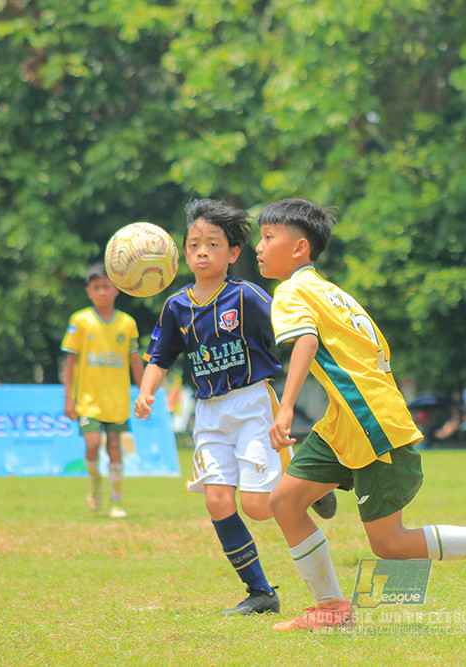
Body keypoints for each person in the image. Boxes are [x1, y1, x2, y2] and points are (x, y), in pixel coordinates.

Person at [255, 198, 466, 632]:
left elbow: (307, 342)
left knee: (389, 544)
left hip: (371, 423)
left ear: (299, 248)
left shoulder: (292, 290)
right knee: (284, 501)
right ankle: (332, 608)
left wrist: (288, 405)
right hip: (346, 421)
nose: (259, 247)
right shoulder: (334, 292)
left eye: (267, 237)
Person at [133, 198, 335, 617]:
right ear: (183, 253)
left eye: (213, 244)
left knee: (258, 508)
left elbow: (294, 335)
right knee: (217, 501)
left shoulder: (247, 296)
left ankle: (314, 486)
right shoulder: (177, 306)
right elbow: (161, 356)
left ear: (232, 254)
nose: (202, 251)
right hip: (209, 412)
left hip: (251, 404)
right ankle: (261, 592)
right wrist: (146, 391)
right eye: (193, 244)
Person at [62, 263, 145, 519]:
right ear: (89, 291)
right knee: (92, 443)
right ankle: (95, 479)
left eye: (106, 287)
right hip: (88, 401)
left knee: (115, 448)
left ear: (116, 289)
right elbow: (70, 363)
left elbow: (135, 360)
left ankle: (116, 502)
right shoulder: (80, 321)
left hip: (117, 401)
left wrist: (144, 392)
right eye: (96, 288)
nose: (102, 293)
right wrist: (69, 398)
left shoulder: (126, 324)